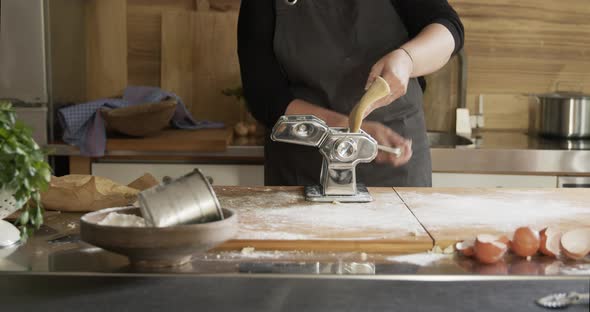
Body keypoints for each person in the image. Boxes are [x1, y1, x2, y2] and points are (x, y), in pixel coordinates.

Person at [238, 0, 464, 187]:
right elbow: (264, 96)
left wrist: (407, 59)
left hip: (392, 165)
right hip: (302, 169)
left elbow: (448, 28)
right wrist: (349, 129)